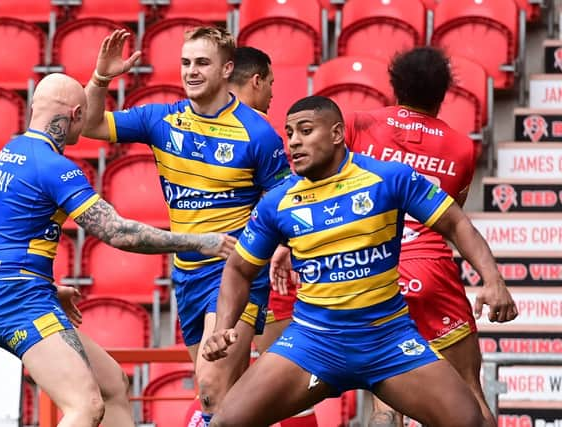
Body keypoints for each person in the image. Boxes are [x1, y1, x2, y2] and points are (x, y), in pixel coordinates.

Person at [203, 95, 518, 427]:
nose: (294, 141)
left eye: (306, 130)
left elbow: (455, 222)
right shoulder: (278, 203)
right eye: (290, 133)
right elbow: (239, 268)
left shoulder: (389, 177)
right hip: (313, 343)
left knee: (471, 421)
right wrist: (223, 327)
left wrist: (493, 280)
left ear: (338, 133)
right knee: (225, 423)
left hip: (388, 340)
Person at [0, 72, 236, 427]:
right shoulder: (55, 167)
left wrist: (48, 288)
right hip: (18, 300)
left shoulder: (10, 153)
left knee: (112, 383)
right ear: (77, 116)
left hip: (12, 290)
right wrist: (200, 241)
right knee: (85, 405)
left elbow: (12, 233)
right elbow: (119, 233)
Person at [82, 28, 292, 425]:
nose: (191, 71)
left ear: (227, 69)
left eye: (202, 63)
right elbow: (91, 126)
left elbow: (284, 199)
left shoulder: (258, 132)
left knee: (211, 386)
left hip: (235, 271)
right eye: (186, 63)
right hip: (188, 274)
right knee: (225, 396)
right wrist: (102, 79)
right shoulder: (162, 118)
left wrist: (277, 246)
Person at [337, 46, 495, 427]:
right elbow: (451, 217)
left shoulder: (359, 125)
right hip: (431, 270)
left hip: (371, 271)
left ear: (395, 87)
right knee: (470, 395)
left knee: (386, 406)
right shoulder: (461, 147)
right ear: (443, 95)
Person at [228, 45, 318, 427]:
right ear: (255, 80)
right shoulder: (261, 134)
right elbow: (287, 202)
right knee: (282, 384)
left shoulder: (200, 125)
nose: (273, 94)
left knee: (224, 385)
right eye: (270, 84)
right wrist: (285, 243)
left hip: (211, 270)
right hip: (257, 268)